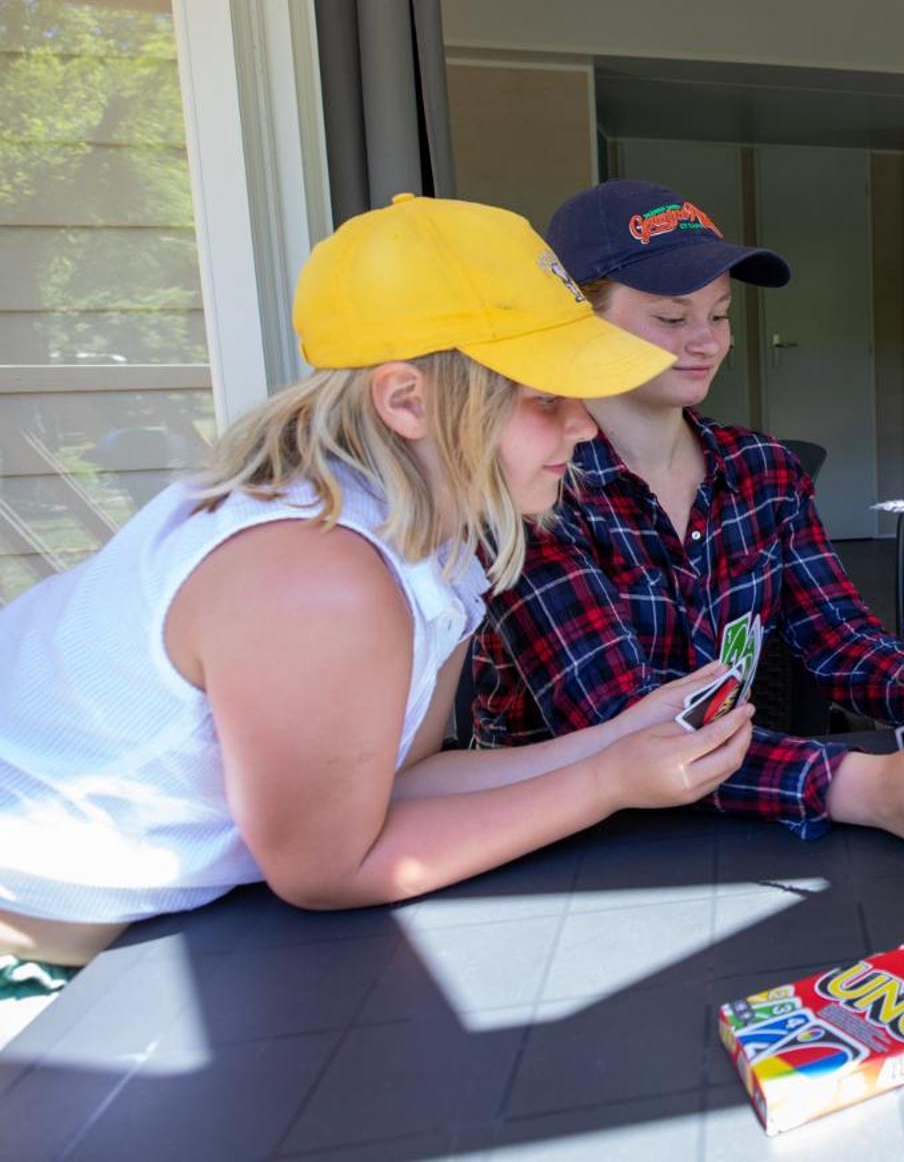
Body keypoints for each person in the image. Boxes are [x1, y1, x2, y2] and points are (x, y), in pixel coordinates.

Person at [0, 195, 756, 968]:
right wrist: (606, 781)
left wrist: (617, 736)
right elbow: (328, 868)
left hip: (143, 931)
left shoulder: (442, 545)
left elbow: (406, 780)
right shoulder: (313, 570)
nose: (586, 424)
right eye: (545, 398)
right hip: (33, 943)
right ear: (407, 401)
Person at [467, 180, 904, 854]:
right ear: (580, 318)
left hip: (740, 814)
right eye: (671, 318)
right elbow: (622, 722)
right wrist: (857, 784)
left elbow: (835, 634)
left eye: (718, 315)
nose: (706, 342)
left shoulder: (765, 471)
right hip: (558, 847)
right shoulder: (535, 490)